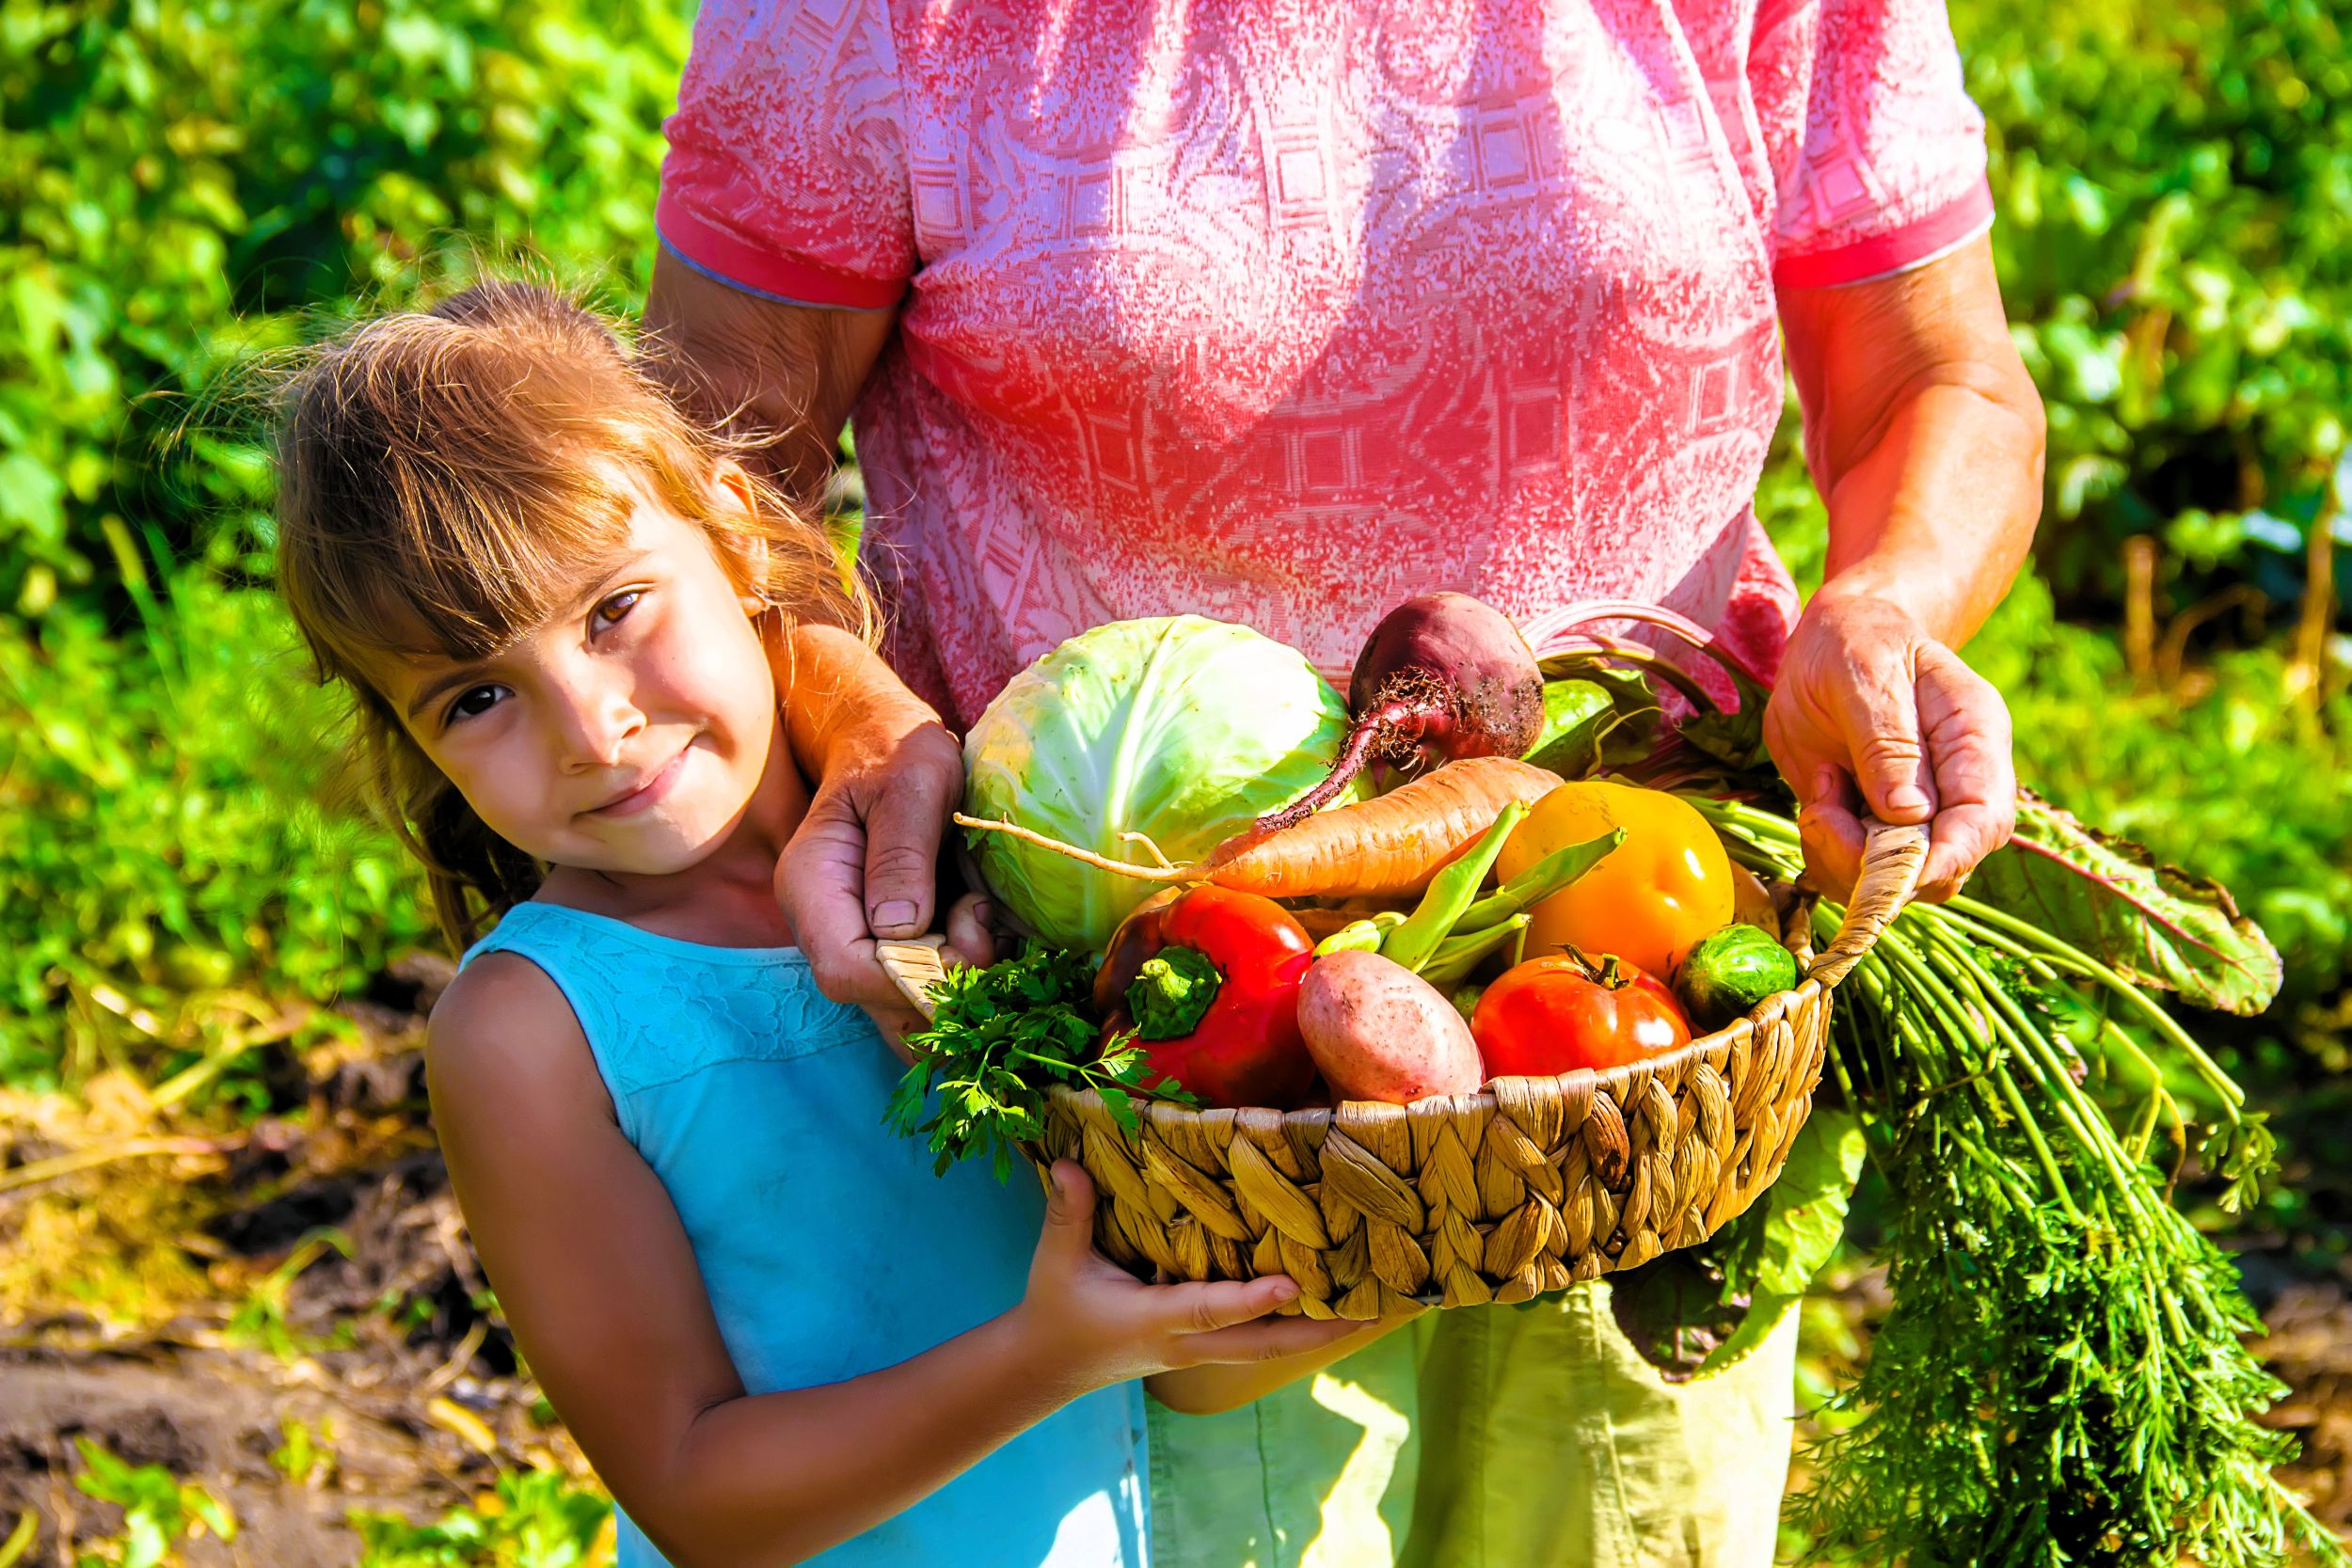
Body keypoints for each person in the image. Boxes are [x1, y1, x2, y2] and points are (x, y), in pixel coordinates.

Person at [642, 0, 2047, 1560]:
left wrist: (1889, 604)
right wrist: (851, 710)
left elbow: (1938, 381)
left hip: (1636, 1016)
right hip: (1148, 1068)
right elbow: (704, 466)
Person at [266, 280, 1377, 1568]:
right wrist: (1046, 1355)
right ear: (412, 743)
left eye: (613, 610)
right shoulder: (534, 1032)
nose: (592, 730)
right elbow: (695, 1494)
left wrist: (1363, 1270)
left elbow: (1168, 1365)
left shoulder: (998, 870)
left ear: (736, 530)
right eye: (475, 698)